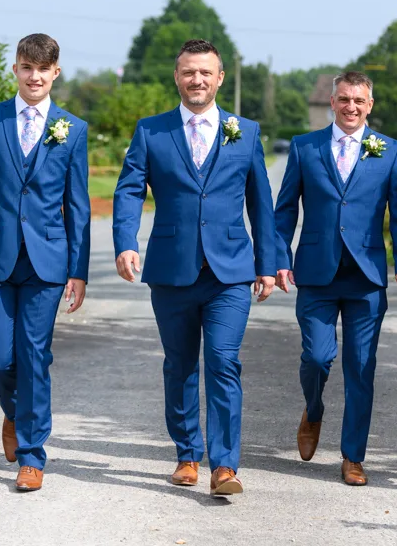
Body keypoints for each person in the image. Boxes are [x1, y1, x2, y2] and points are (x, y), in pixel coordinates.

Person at [112, 39, 276, 496]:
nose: (197, 80)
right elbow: (129, 190)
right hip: (171, 269)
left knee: (223, 361)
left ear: (220, 78)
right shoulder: (151, 131)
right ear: (177, 77)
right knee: (180, 365)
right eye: (189, 72)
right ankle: (187, 454)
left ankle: (225, 466)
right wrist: (125, 242)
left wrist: (268, 264)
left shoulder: (246, 131)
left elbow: (261, 203)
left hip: (230, 272)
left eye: (205, 72)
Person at [0, 33, 91, 492]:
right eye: (27, 68)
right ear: (15, 69)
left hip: (48, 262)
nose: (34, 77)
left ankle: (32, 456)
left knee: (33, 355)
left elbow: (79, 206)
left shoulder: (73, 129)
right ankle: (14, 413)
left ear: (55, 73)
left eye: (43, 69)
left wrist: (79, 270)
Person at [273, 71, 397, 486]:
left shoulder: (389, 151)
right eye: (343, 99)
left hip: (366, 276)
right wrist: (279, 258)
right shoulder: (305, 147)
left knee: (361, 367)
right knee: (317, 357)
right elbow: (286, 209)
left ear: (369, 105)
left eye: (358, 100)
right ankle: (314, 409)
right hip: (316, 272)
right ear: (332, 103)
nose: (350, 107)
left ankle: (353, 456)